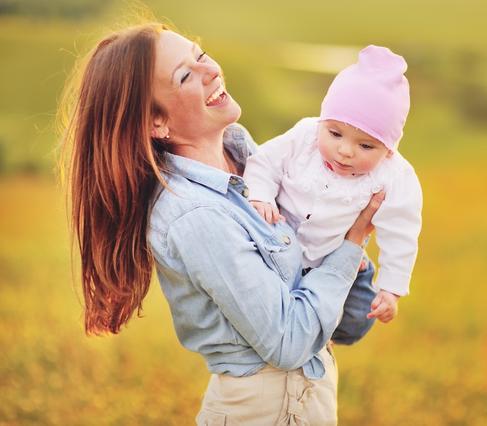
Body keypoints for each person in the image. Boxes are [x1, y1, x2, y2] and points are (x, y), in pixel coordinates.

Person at [59, 23, 385, 425]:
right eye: (185, 75)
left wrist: (347, 245)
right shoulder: (194, 216)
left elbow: (346, 327)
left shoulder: (256, 163)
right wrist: (350, 245)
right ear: (156, 124)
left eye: (199, 55)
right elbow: (289, 342)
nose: (209, 70)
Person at [244, 45, 423, 326]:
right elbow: (264, 162)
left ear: (388, 149)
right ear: (322, 122)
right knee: (268, 315)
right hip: (272, 248)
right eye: (335, 134)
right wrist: (261, 195)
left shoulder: (394, 176)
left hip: (326, 264)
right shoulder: (304, 136)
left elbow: (401, 234)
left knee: (339, 322)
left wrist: (391, 289)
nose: (345, 151)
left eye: (365, 145)